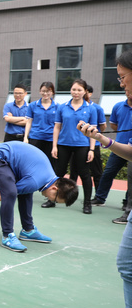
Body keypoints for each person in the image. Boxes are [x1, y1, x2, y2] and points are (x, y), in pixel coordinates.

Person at [75, 49, 132, 308]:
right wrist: (101, 139)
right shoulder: (123, 107)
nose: (121, 84)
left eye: (123, 77)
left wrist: (100, 140)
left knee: (127, 263)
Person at [0, 141, 78, 252]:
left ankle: (28, 230)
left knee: (26, 191)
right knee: (11, 193)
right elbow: (7, 193)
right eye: (55, 200)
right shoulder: (35, 181)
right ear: (54, 189)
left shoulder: (47, 176)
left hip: (12, 161)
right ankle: (7, 235)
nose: (51, 200)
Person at [52, 79, 96, 214]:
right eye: (73, 89)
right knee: (58, 173)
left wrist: (92, 149)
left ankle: (87, 204)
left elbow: (93, 131)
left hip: (82, 145)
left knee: (84, 174)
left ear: (85, 92)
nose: (76, 92)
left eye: (79, 90)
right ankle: (52, 199)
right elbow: (57, 127)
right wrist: (54, 146)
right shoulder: (62, 107)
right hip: (63, 144)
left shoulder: (91, 108)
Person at [92, 93, 132, 212]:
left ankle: (127, 203)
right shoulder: (118, 106)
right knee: (108, 172)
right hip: (118, 146)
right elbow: (114, 124)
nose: (128, 92)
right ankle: (100, 198)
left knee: (131, 178)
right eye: (127, 90)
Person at [24, 82, 58, 188]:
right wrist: (25, 137)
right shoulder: (33, 105)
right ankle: (31, 184)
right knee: (33, 162)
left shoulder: (58, 106)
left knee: (50, 164)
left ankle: (48, 185)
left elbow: (58, 125)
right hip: (35, 137)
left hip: (50, 139)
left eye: (48, 91)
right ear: (40, 91)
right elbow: (29, 122)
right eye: (43, 91)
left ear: (52, 92)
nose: (45, 93)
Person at [84, 85, 107, 192]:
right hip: (80, 145)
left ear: (90, 93)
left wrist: (97, 136)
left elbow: (103, 126)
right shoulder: (75, 107)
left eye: (86, 92)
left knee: (96, 172)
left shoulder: (97, 108)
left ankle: (99, 195)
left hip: (94, 145)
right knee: (75, 172)